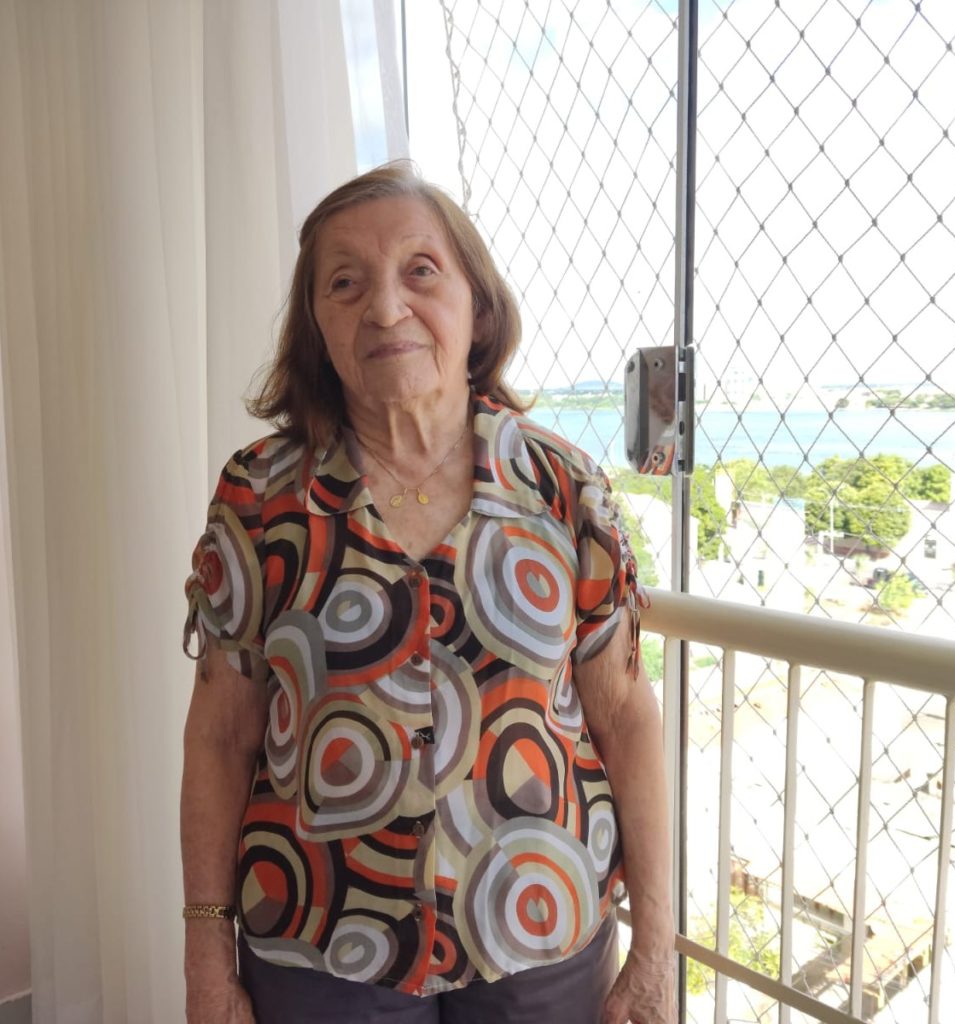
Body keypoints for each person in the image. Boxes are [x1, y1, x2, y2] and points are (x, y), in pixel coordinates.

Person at [181, 162, 676, 1024]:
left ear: (477, 306)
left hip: (543, 937)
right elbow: (222, 737)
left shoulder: (564, 486)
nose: (385, 308)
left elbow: (626, 716)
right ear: (317, 327)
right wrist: (204, 954)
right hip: (317, 942)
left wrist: (657, 947)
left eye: (420, 270)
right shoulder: (259, 498)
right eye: (345, 283)